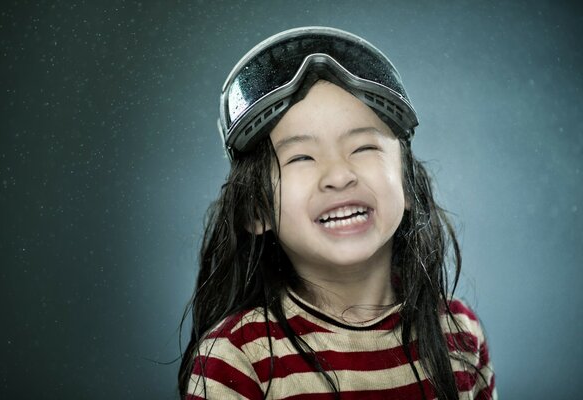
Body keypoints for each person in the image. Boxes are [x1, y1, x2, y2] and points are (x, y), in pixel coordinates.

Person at [178, 26, 496, 400]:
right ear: (256, 210)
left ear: (409, 187)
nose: (339, 175)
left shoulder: (460, 334)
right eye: (300, 157)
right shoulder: (236, 359)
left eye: (362, 148)